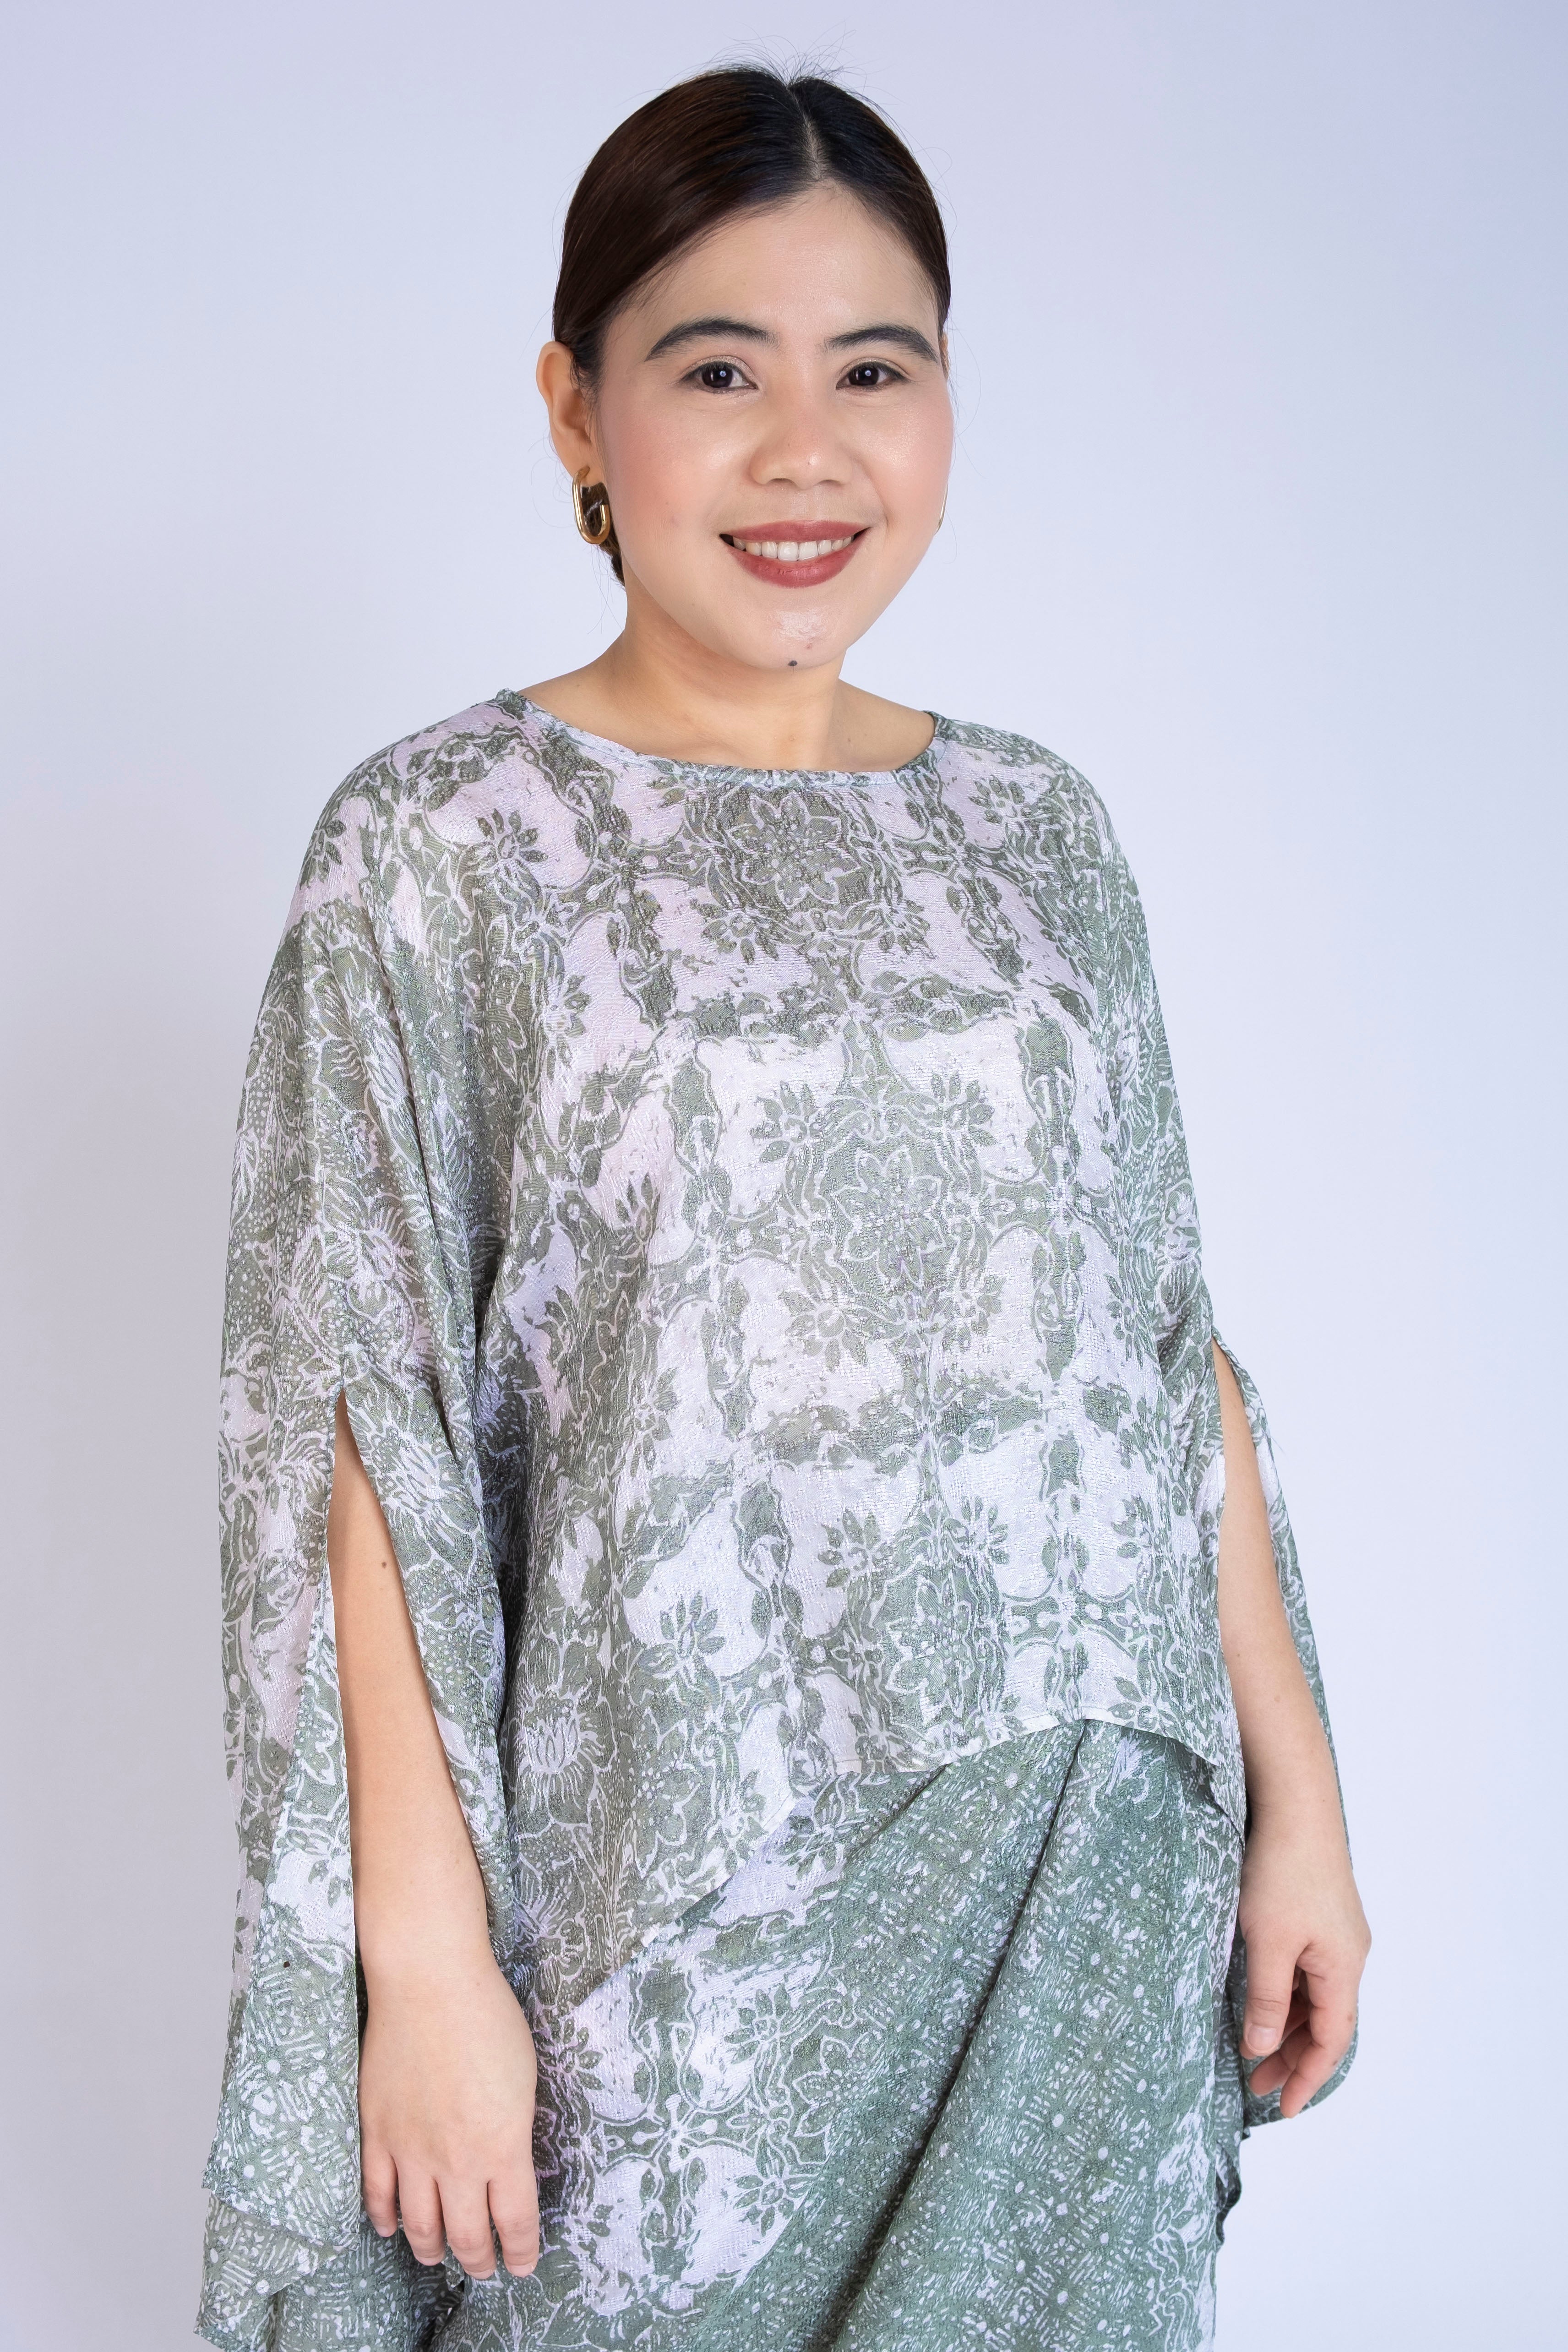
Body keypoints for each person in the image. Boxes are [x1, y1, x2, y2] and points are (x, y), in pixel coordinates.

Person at [197, 64, 1369, 2352]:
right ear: (579, 409)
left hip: (1085, 1860)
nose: (805, 453)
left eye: (876, 373)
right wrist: (423, 1966)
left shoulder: (1041, 831)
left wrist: (1295, 1801)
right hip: (685, 1898)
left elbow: (1158, 1343)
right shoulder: (441, 846)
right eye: (719, 372)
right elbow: (359, 1425)